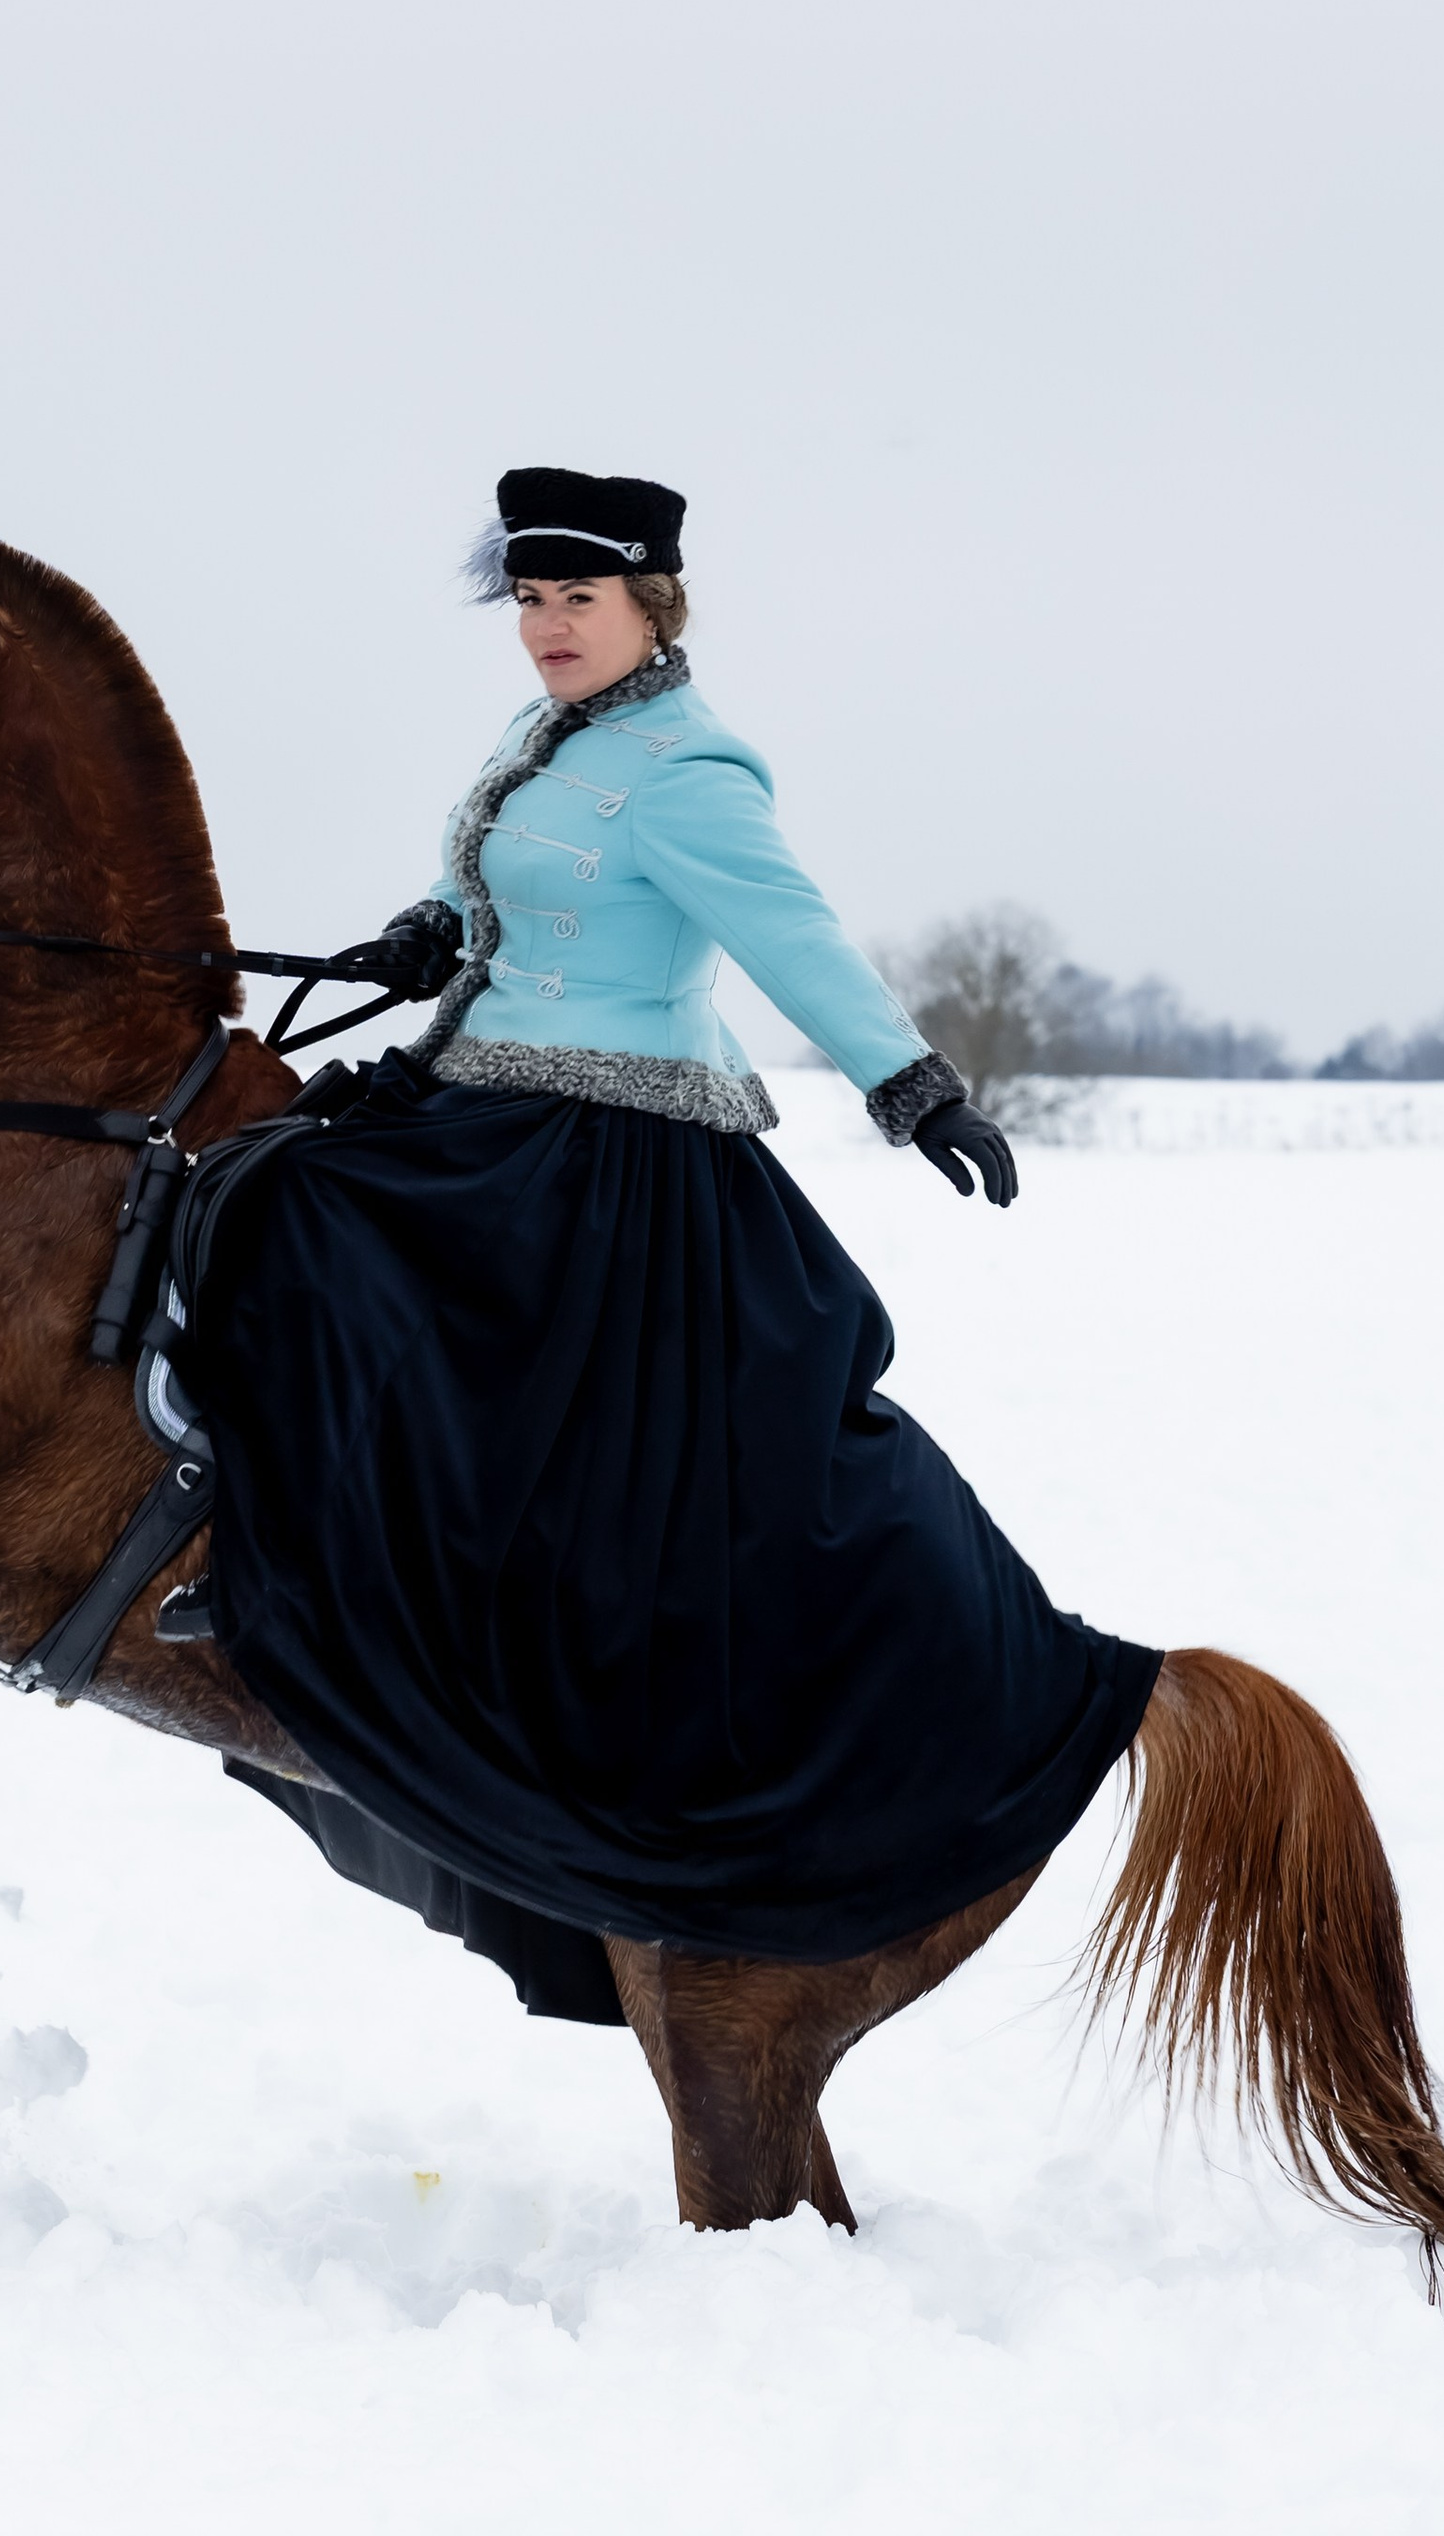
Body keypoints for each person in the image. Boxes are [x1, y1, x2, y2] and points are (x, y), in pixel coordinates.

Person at [185, 464, 1158, 2021]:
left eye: (579, 598)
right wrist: (423, 926)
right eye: (530, 598)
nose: (548, 627)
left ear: (654, 604)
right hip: (479, 1092)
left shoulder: (693, 769)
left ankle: (329, 1568)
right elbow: (489, 877)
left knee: (321, 1241)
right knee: (263, 1184)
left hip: (598, 1150)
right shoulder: (546, 738)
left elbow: (795, 935)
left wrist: (913, 1088)